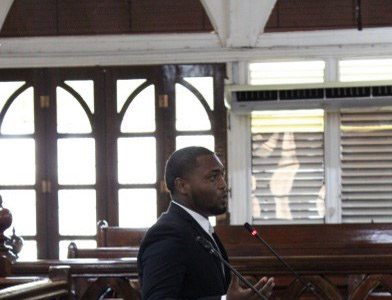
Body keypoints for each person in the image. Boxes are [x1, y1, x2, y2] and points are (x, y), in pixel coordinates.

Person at [137, 146, 275, 300]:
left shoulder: (199, 228)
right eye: (213, 177)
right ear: (182, 186)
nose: (223, 184)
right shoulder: (166, 234)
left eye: (222, 175)